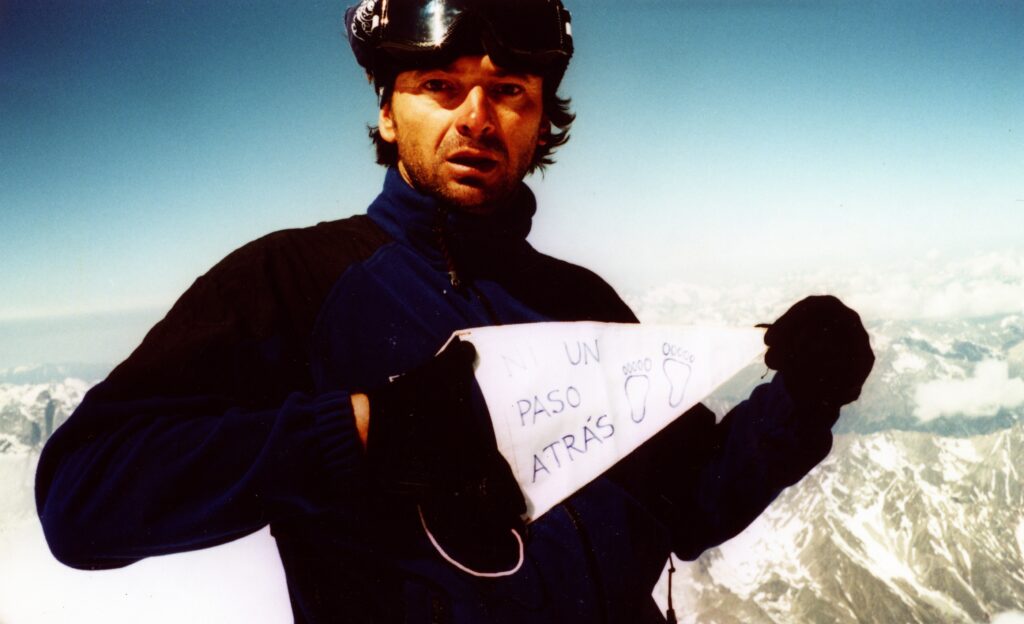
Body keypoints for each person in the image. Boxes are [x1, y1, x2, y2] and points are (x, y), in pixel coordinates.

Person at [35, 1, 874, 622]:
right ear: (387, 111)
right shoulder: (292, 282)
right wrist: (369, 427)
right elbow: (82, 499)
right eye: (441, 87)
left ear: (541, 120)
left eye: (508, 90)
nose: (476, 118)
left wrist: (802, 398)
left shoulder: (581, 303)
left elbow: (690, 506)